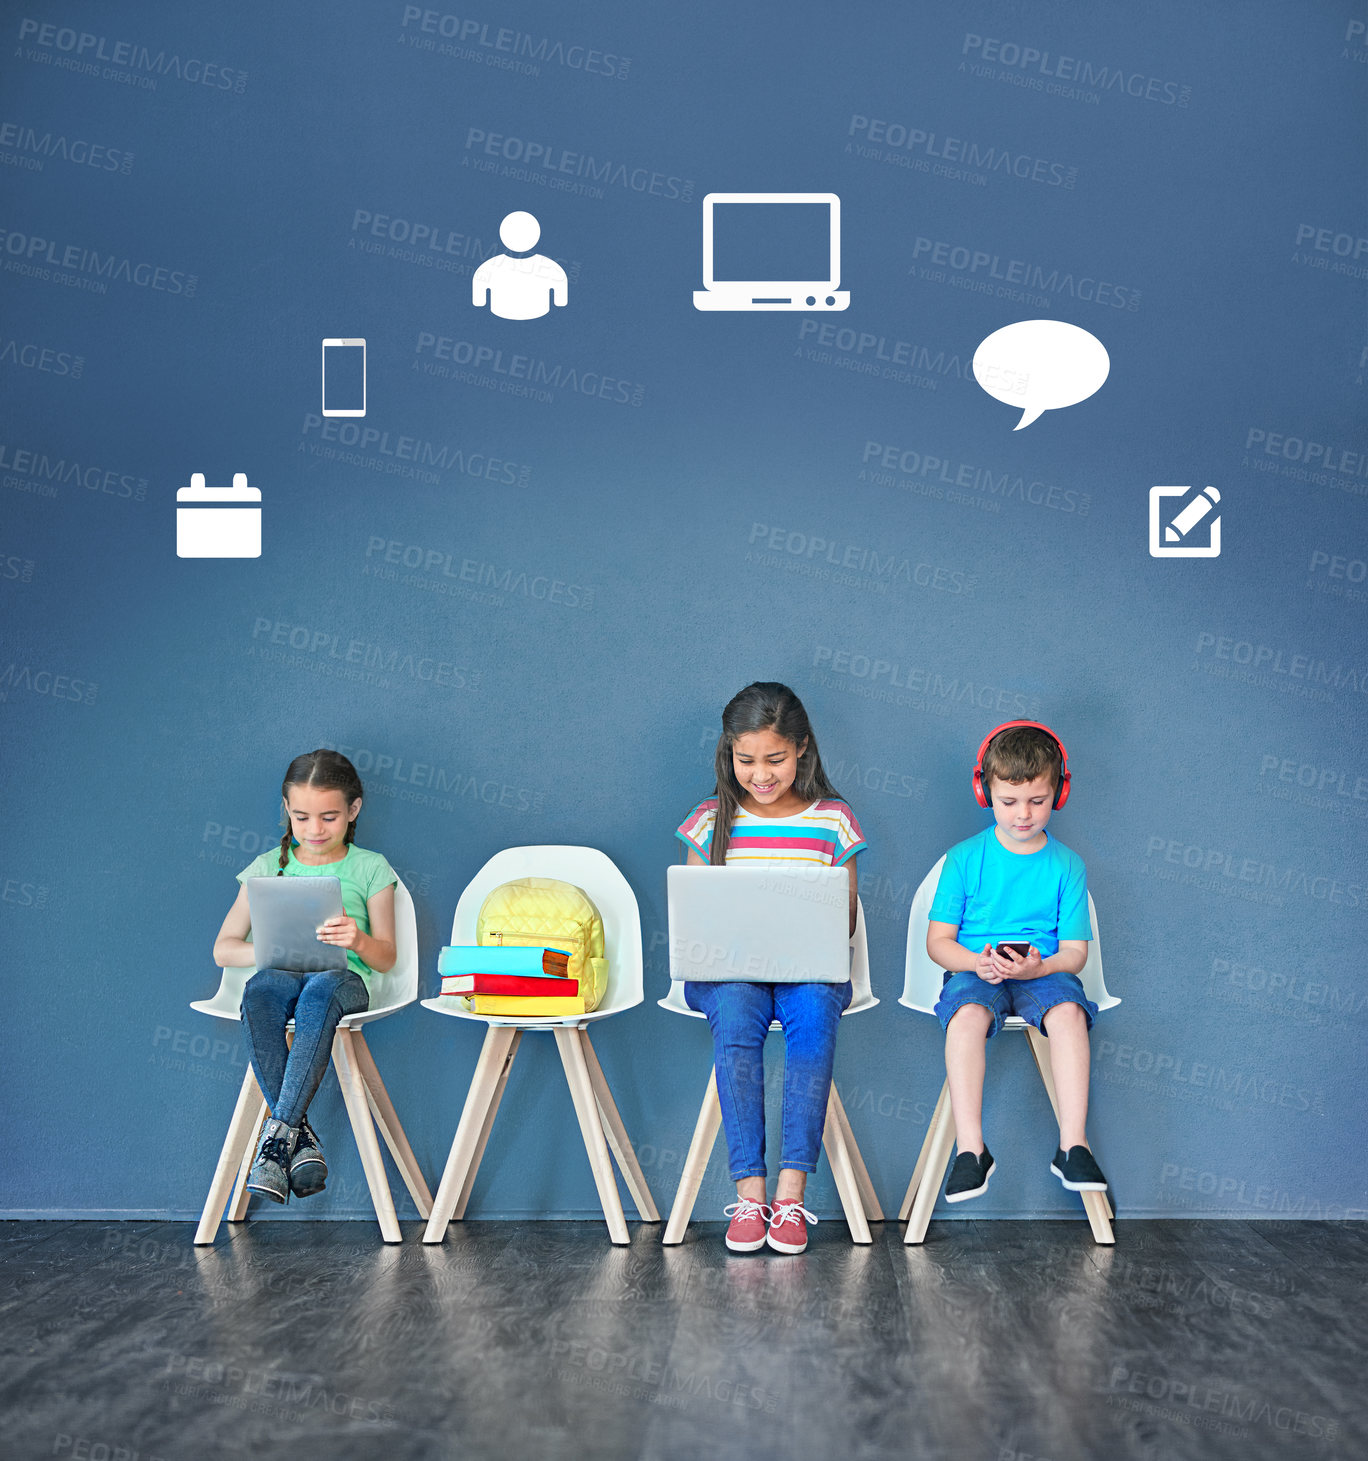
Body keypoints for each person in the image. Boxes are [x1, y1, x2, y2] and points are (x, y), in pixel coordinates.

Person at [676, 682, 866, 1254]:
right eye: (747, 760)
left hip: (809, 967)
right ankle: (750, 1194)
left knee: (812, 1021)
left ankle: (790, 1196)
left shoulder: (832, 819)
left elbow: (847, 919)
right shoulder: (711, 819)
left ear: (802, 749)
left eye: (775, 760)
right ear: (728, 753)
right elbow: (696, 915)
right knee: (736, 1018)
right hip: (729, 972)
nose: (761, 774)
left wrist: (811, 912)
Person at [927, 721, 1108, 1203]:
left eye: (1037, 801)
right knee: (965, 1017)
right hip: (975, 968)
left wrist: (1039, 969)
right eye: (1009, 802)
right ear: (986, 794)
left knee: (1070, 1014)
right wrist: (974, 962)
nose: (1023, 814)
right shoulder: (964, 859)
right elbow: (938, 943)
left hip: (1041, 971)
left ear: (1058, 794)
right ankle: (971, 1150)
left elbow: (1074, 954)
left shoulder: (1067, 865)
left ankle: (1073, 1144)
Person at [212, 750, 398, 1203]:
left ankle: (275, 1140)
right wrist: (270, 949)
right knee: (259, 993)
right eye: (301, 818)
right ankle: (298, 1141)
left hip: (341, 980)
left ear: (353, 810)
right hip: (280, 974)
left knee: (319, 992)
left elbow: (387, 958)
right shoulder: (265, 867)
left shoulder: (370, 868)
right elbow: (224, 949)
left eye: (329, 817)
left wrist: (356, 939)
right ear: (287, 811)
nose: (315, 830)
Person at [472, 210, 568, 320]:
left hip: (502, 313)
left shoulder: (489, 266)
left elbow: (479, 301)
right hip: (537, 313)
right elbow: (561, 300)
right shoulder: (549, 267)